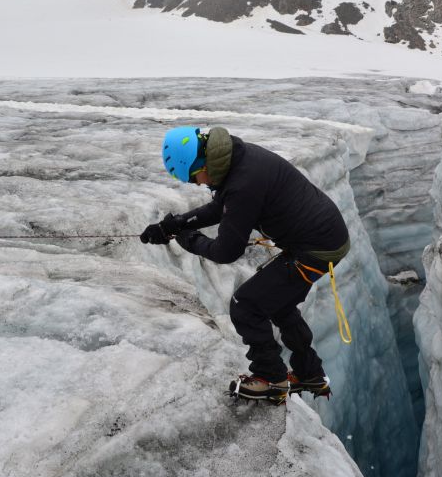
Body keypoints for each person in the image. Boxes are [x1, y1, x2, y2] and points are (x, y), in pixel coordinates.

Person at [140, 126, 350, 405]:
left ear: (201, 163)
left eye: (193, 177)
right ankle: (309, 373)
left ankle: (270, 379)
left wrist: (190, 240)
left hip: (316, 248)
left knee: (245, 305)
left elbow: (226, 251)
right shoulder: (236, 159)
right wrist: (176, 224)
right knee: (279, 303)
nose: (198, 184)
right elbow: (220, 208)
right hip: (322, 237)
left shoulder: (243, 182)